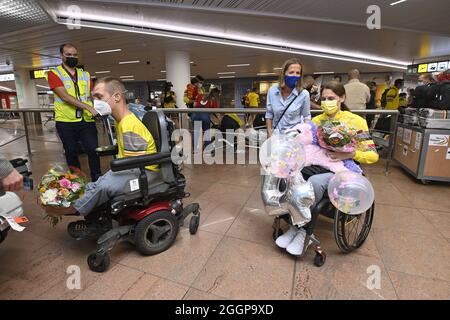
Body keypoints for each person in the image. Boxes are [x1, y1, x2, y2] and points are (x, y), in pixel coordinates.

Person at [42, 77, 160, 238]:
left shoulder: (129, 125)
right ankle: (91, 215)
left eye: (99, 97)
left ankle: (75, 206)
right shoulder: (121, 121)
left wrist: (113, 170)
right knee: (98, 183)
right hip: (134, 168)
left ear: (117, 97)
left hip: (144, 172)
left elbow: (135, 164)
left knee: (104, 185)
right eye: (94, 98)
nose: (95, 102)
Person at [275, 81, 379, 254]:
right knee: (288, 176)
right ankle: (296, 226)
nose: (326, 102)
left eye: (331, 98)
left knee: (315, 183)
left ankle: (303, 232)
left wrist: (349, 154)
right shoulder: (317, 121)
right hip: (316, 164)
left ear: (342, 98)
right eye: (323, 99)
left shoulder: (356, 121)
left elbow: (372, 155)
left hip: (342, 169)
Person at [47, 43, 101, 182]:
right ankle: (77, 182)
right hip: (66, 121)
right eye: (68, 55)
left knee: (93, 150)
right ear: (61, 56)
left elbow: (91, 95)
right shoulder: (54, 74)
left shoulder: (85, 75)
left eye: (75, 55)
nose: (72, 57)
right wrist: (88, 108)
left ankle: (97, 180)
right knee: (71, 153)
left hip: (86, 121)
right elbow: (64, 96)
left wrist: (102, 104)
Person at [265, 58, 311, 136]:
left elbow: (306, 116)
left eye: (298, 73)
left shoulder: (304, 94)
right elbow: (269, 114)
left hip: (295, 137)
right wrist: (269, 135)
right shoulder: (272, 91)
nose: (295, 75)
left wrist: (305, 134)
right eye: (291, 72)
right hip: (276, 136)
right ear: (284, 74)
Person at [191, 84, 220, 153]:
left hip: (195, 115)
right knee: (206, 132)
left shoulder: (200, 95)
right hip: (205, 116)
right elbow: (216, 112)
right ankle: (207, 149)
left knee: (196, 133)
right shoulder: (213, 99)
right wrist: (219, 120)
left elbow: (194, 105)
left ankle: (195, 150)